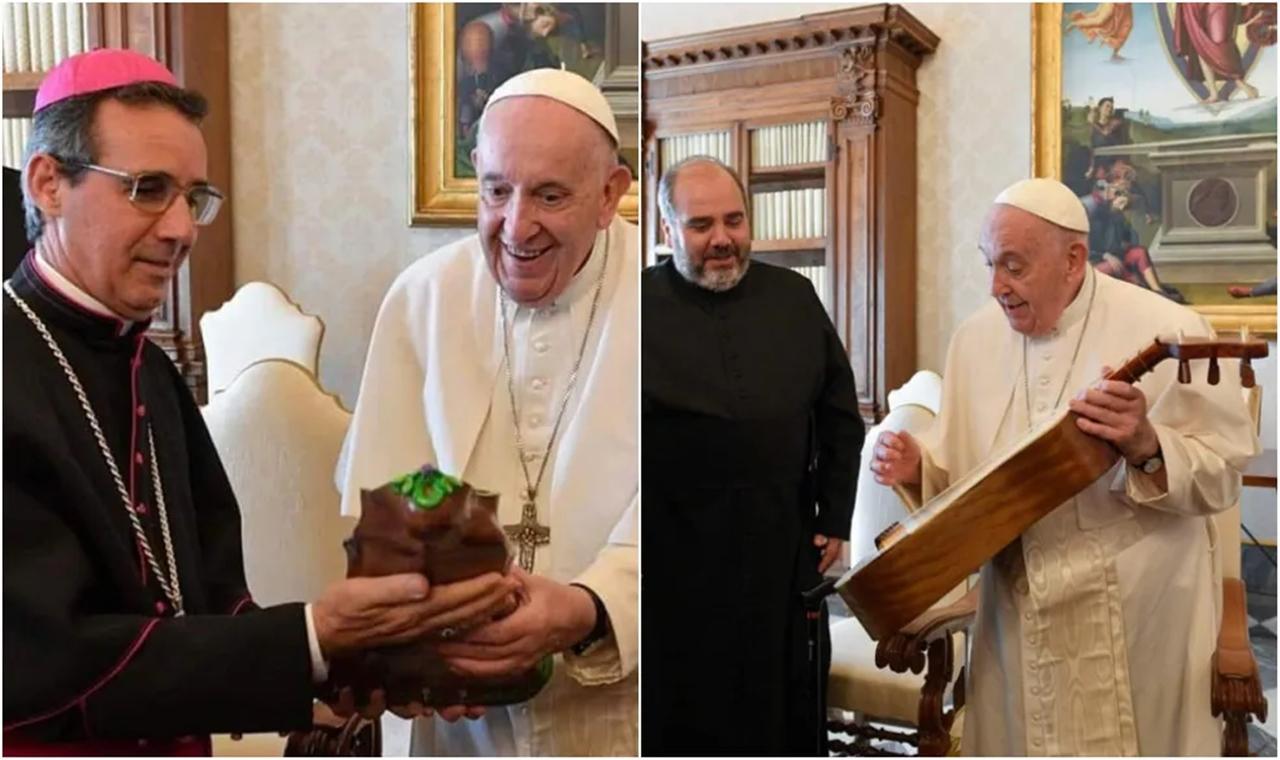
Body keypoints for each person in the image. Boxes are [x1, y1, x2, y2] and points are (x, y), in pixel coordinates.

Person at [3, 49, 516, 755]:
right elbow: (46, 664)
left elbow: (212, 601)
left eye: (193, 197)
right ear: (48, 183)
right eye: (148, 189)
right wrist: (310, 638)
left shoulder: (149, 370)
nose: (182, 228)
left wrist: (368, 666)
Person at [872, 178, 1258, 755]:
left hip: (1141, 606)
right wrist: (915, 467)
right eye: (990, 264)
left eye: (1014, 266)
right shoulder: (973, 341)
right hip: (1020, 614)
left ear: (1073, 260)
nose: (996, 286)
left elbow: (1220, 476)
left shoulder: (1169, 329)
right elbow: (967, 488)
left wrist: (1147, 443)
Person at [338, 67, 637, 756]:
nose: (516, 225)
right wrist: (419, 635)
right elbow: (379, 508)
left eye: (551, 195)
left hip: (617, 708)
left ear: (609, 194)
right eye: (497, 190)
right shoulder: (423, 298)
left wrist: (590, 608)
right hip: (453, 714)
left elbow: (685, 517)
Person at [642, 156, 865, 755]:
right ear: (667, 231)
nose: (722, 239)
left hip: (779, 547)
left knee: (779, 710)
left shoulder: (794, 296)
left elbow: (841, 418)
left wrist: (833, 519)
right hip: (671, 559)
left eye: (735, 220)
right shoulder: (633, 308)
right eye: (701, 225)